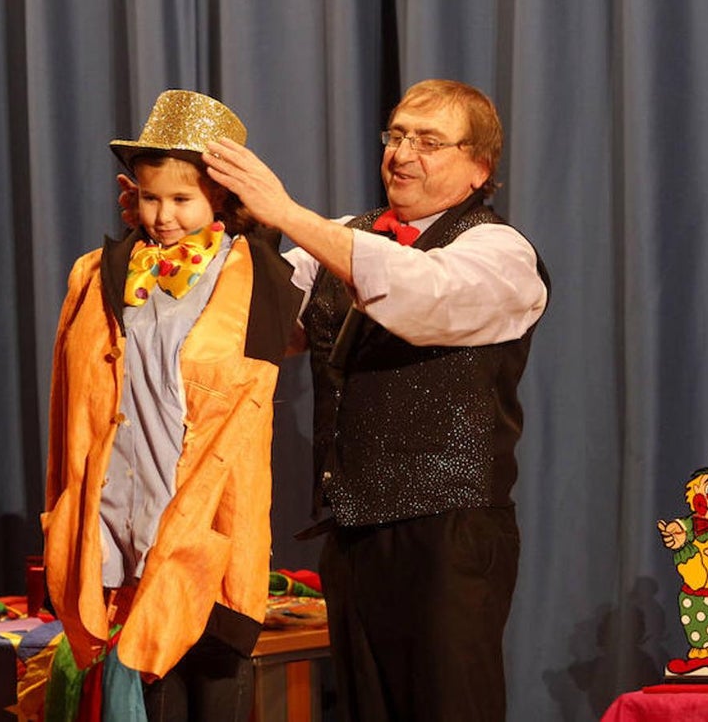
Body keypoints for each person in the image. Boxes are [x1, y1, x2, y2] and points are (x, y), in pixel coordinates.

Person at [197, 79, 551, 721]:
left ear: (479, 167)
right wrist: (223, 229)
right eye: (396, 135)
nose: (403, 152)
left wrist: (286, 212)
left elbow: (422, 297)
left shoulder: (499, 252)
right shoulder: (340, 237)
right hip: (355, 532)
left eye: (429, 140)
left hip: (449, 531)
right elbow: (260, 330)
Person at [43, 89, 302, 721]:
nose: (164, 215)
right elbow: (67, 405)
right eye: (152, 196)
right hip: (122, 522)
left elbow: (245, 410)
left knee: (212, 689)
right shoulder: (97, 275)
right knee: (148, 694)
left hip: (203, 525)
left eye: (182, 199)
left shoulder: (254, 277)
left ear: (219, 199)